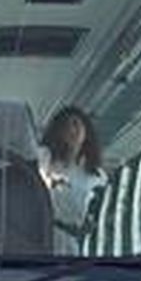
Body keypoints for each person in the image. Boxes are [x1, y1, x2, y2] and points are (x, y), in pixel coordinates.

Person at [39, 106, 106, 255]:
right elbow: (39, 174)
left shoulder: (97, 176)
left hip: (78, 243)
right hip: (46, 236)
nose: (71, 130)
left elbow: (101, 209)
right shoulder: (47, 157)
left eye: (76, 124)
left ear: (85, 131)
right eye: (66, 126)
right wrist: (50, 180)